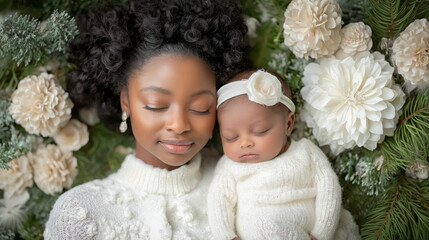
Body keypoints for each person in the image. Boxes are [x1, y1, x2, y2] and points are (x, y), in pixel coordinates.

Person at [44, 0, 248, 239]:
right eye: (156, 105)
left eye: (201, 108)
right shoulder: (80, 212)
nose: (179, 125)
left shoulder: (244, 185)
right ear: (126, 102)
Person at [208, 69, 360, 240]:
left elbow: (328, 189)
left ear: (288, 124)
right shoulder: (230, 164)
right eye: (231, 137)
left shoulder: (305, 152)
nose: (244, 143)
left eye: (260, 131)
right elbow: (218, 202)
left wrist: (322, 233)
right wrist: (227, 236)